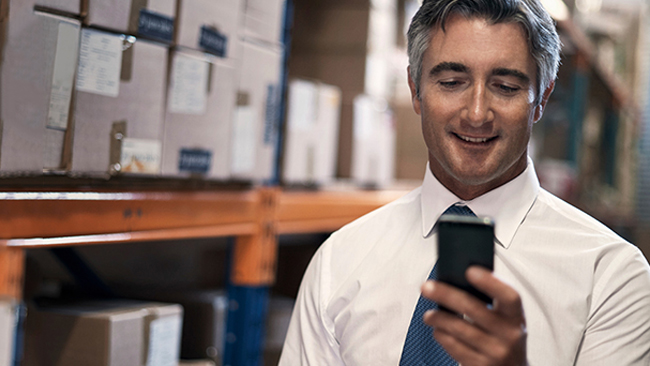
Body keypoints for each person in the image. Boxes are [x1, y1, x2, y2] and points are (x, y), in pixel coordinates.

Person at [278, 0, 650, 365]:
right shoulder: (340, 261)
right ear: (415, 88)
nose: (476, 113)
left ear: (542, 99)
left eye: (505, 87)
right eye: (452, 82)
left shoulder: (612, 279)